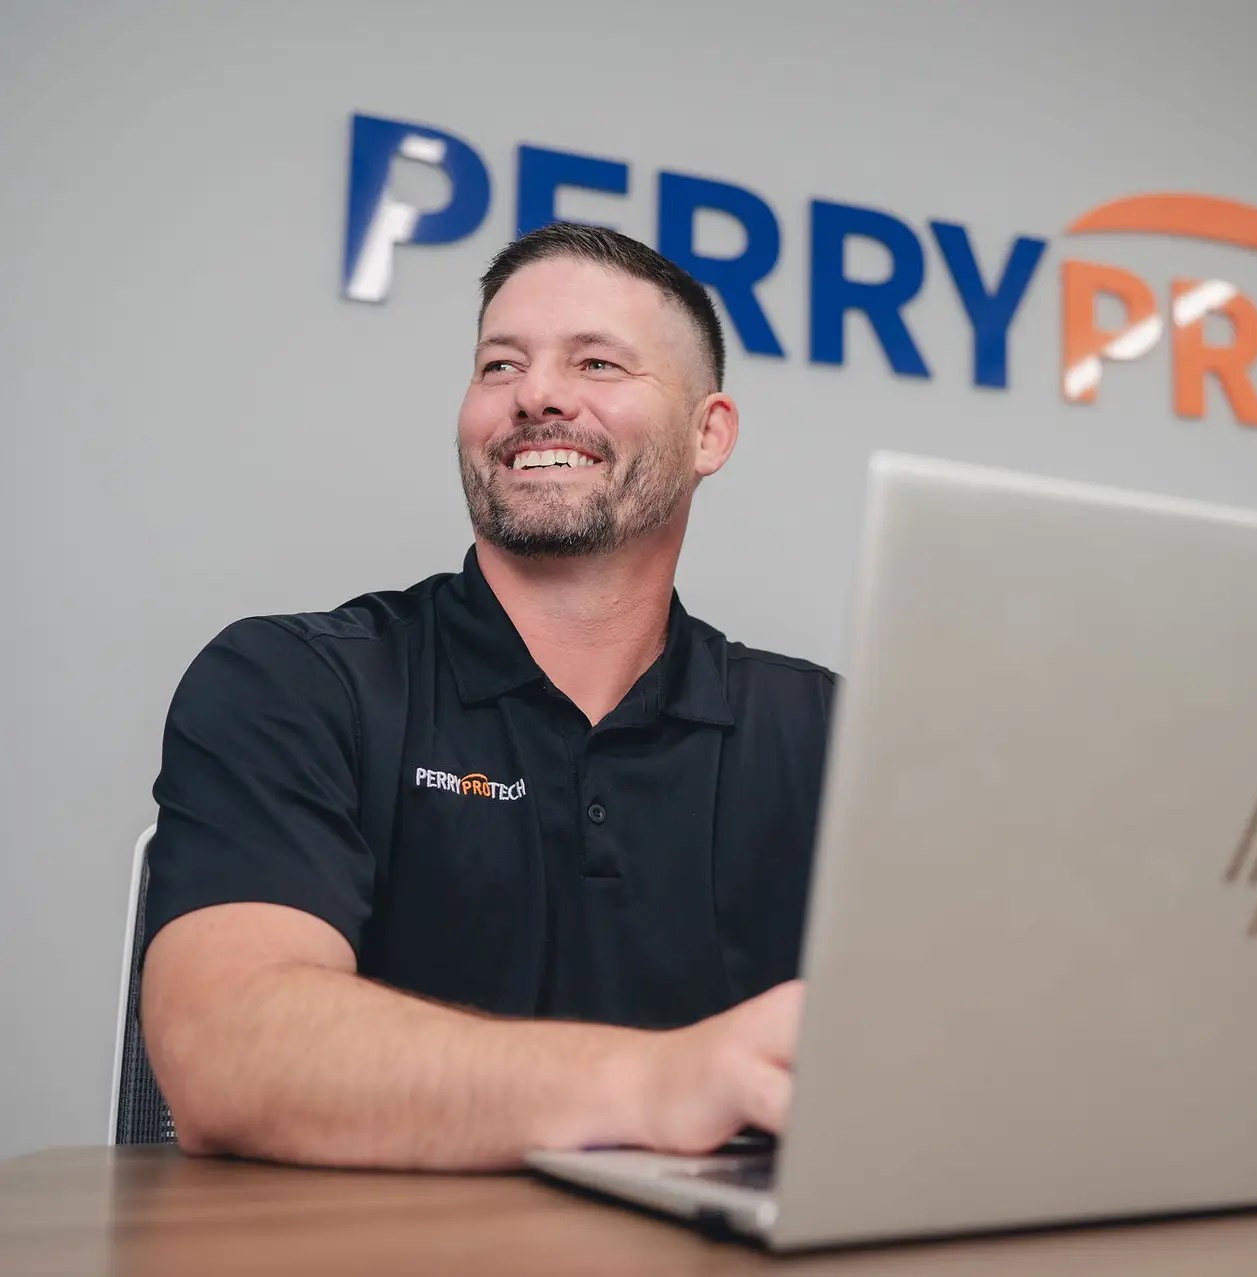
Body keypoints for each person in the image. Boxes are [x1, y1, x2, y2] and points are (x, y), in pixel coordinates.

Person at [141, 224, 833, 1171]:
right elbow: (226, 1051)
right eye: (499, 363)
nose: (537, 393)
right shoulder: (295, 682)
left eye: (596, 361)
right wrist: (659, 1082)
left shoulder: (833, 734)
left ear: (708, 432)